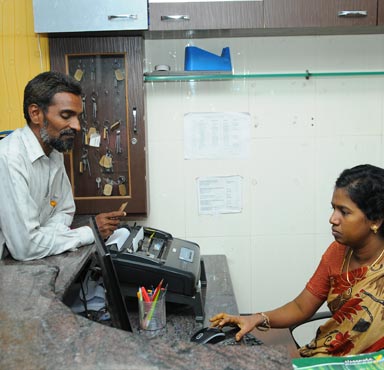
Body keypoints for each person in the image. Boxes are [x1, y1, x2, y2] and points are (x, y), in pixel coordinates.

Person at [210, 164, 384, 357]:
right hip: (327, 357)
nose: (332, 219)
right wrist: (255, 319)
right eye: (333, 209)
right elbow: (301, 307)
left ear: (375, 220)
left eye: (344, 212)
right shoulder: (337, 252)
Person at [0, 71, 126, 261]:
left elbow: (65, 210)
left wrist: (46, 236)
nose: (76, 126)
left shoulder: (54, 152)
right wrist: (90, 232)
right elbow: (25, 248)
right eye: (66, 115)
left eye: (77, 117)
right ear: (35, 114)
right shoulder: (9, 158)